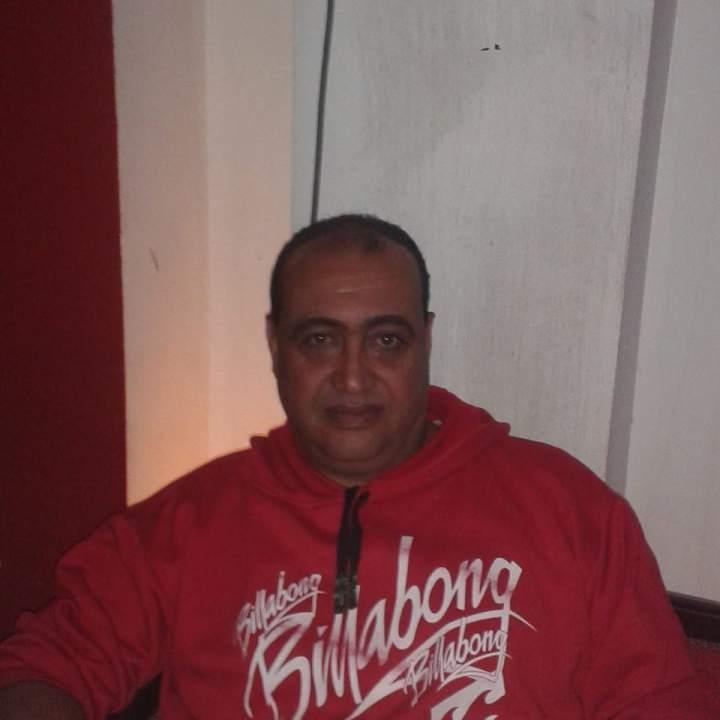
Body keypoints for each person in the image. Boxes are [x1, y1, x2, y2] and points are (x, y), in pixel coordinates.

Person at [0, 214, 715, 719]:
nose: (351, 378)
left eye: (385, 341)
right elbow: (46, 665)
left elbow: (658, 703)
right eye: (319, 340)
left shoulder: (569, 510)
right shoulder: (191, 521)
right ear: (275, 346)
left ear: (425, 341)